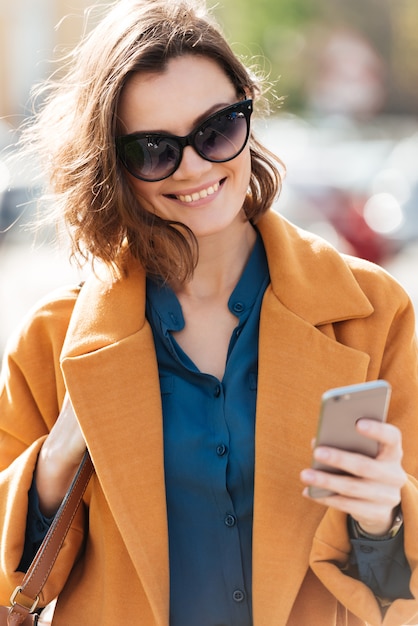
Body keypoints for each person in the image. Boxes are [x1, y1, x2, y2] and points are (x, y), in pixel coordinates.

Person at [0, 0, 418, 624]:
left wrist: (382, 519)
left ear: (248, 111)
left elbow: (397, 598)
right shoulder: (53, 340)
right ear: (115, 163)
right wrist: (53, 465)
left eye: (217, 128)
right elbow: (15, 585)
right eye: (154, 149)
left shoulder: (373, 313)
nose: (194, 165)